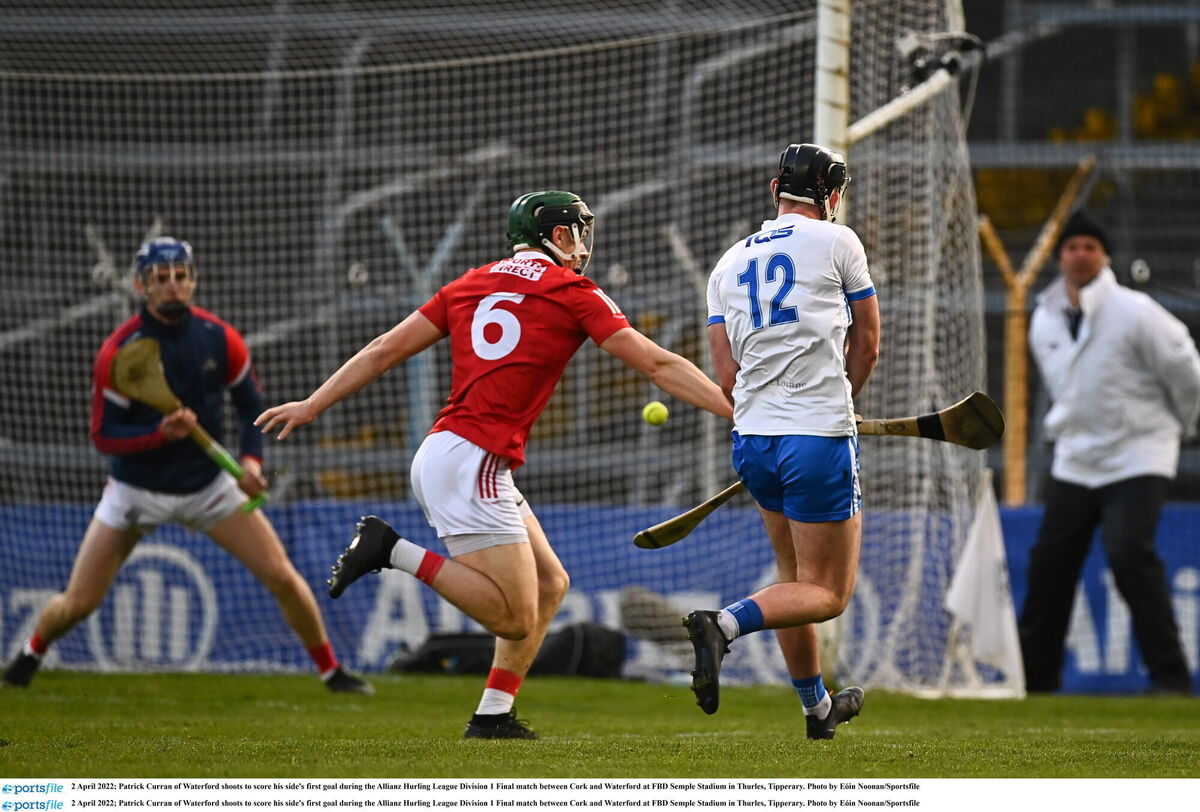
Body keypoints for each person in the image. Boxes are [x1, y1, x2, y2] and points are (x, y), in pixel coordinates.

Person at [255, 191, 734, 738]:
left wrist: (312, 403)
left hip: (453, 454)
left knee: (551, 583)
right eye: (578, 230)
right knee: (513, 616)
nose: (584, 242)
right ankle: (392, 549)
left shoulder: (472, 280)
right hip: (473, 463)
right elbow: (656, 362)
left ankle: (492, 716)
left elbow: (384, 348)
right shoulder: (571, 290)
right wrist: (736, 409)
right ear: (557, 235)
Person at [2, 237, 371, 695]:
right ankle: (31, 652)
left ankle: (331, 672)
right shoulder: (119, 351)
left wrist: (252, 461)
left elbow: (249, 407)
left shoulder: (220, 339)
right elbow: (104, 437)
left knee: (282, 576)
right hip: (135, 490)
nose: (173, 286)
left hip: (208, 487)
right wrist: (161, 435)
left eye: (181, 277)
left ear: (193, 280)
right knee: (79, 603)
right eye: (161, 279)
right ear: (141, 285)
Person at [684, 143, 880, 739]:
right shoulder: (839, 242)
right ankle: (726, 625)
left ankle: (816, 708)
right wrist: (845, 399)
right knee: (828, 592)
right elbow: (867, 344)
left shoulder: (727, 264)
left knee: (793, 576)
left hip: (754, 441)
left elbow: (726, 376)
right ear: (833, 196)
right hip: (817, 436)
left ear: (777, 190)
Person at [1020, 211, 1200, 695]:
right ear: (1061, 256)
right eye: (1072, 246)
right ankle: (1036, 682)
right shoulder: (1044, 316)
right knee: (1048, 567)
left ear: (1105, 256)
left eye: (1090, 247)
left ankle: (1171, 679)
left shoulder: (1135, 310)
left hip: (1139, 453)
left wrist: (1187, 423)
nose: (1080, 254)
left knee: (1129, 554)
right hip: (1076, 458)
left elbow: (1185, 364)